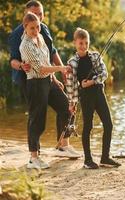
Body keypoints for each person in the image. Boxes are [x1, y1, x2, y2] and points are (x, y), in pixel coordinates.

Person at [8, 0, 80, 159]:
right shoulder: (17, 36)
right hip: (30, 81)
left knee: (66, 107)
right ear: (26, 15)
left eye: (40, 14)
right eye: (35, 13)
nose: (38, 17)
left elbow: (50, 53)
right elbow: (12, 60)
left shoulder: (42, 29)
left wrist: (59, 74)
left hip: (48, 76)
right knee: (37, 116)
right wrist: (21, 66)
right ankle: (34, 155)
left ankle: (63, 146)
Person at [19, 12, 74, 169]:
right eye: (32, 28)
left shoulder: (40, 37)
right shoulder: (26, 46)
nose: (36, 31)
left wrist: (55, 78)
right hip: (36, 84)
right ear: (25, 28)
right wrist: (62, 68)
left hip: (49, 81)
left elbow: (46, 60)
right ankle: (33, 158)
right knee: (37, 121)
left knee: (66, 108)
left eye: (37, 27)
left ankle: (63, 145)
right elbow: (41, 69)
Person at [66, 28, 121, 169]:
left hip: (98, 94)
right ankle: (88, 160)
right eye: (80, 43)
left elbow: (104, 74)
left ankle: (105, 157)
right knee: (88, 127)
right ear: (75, 43)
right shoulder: (72, 62)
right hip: (86, 98)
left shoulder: (96, 56)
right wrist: (72, 102)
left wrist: (91, 81)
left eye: (86, 43)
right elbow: (71, 85)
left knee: (108, 124)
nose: (83, 46)